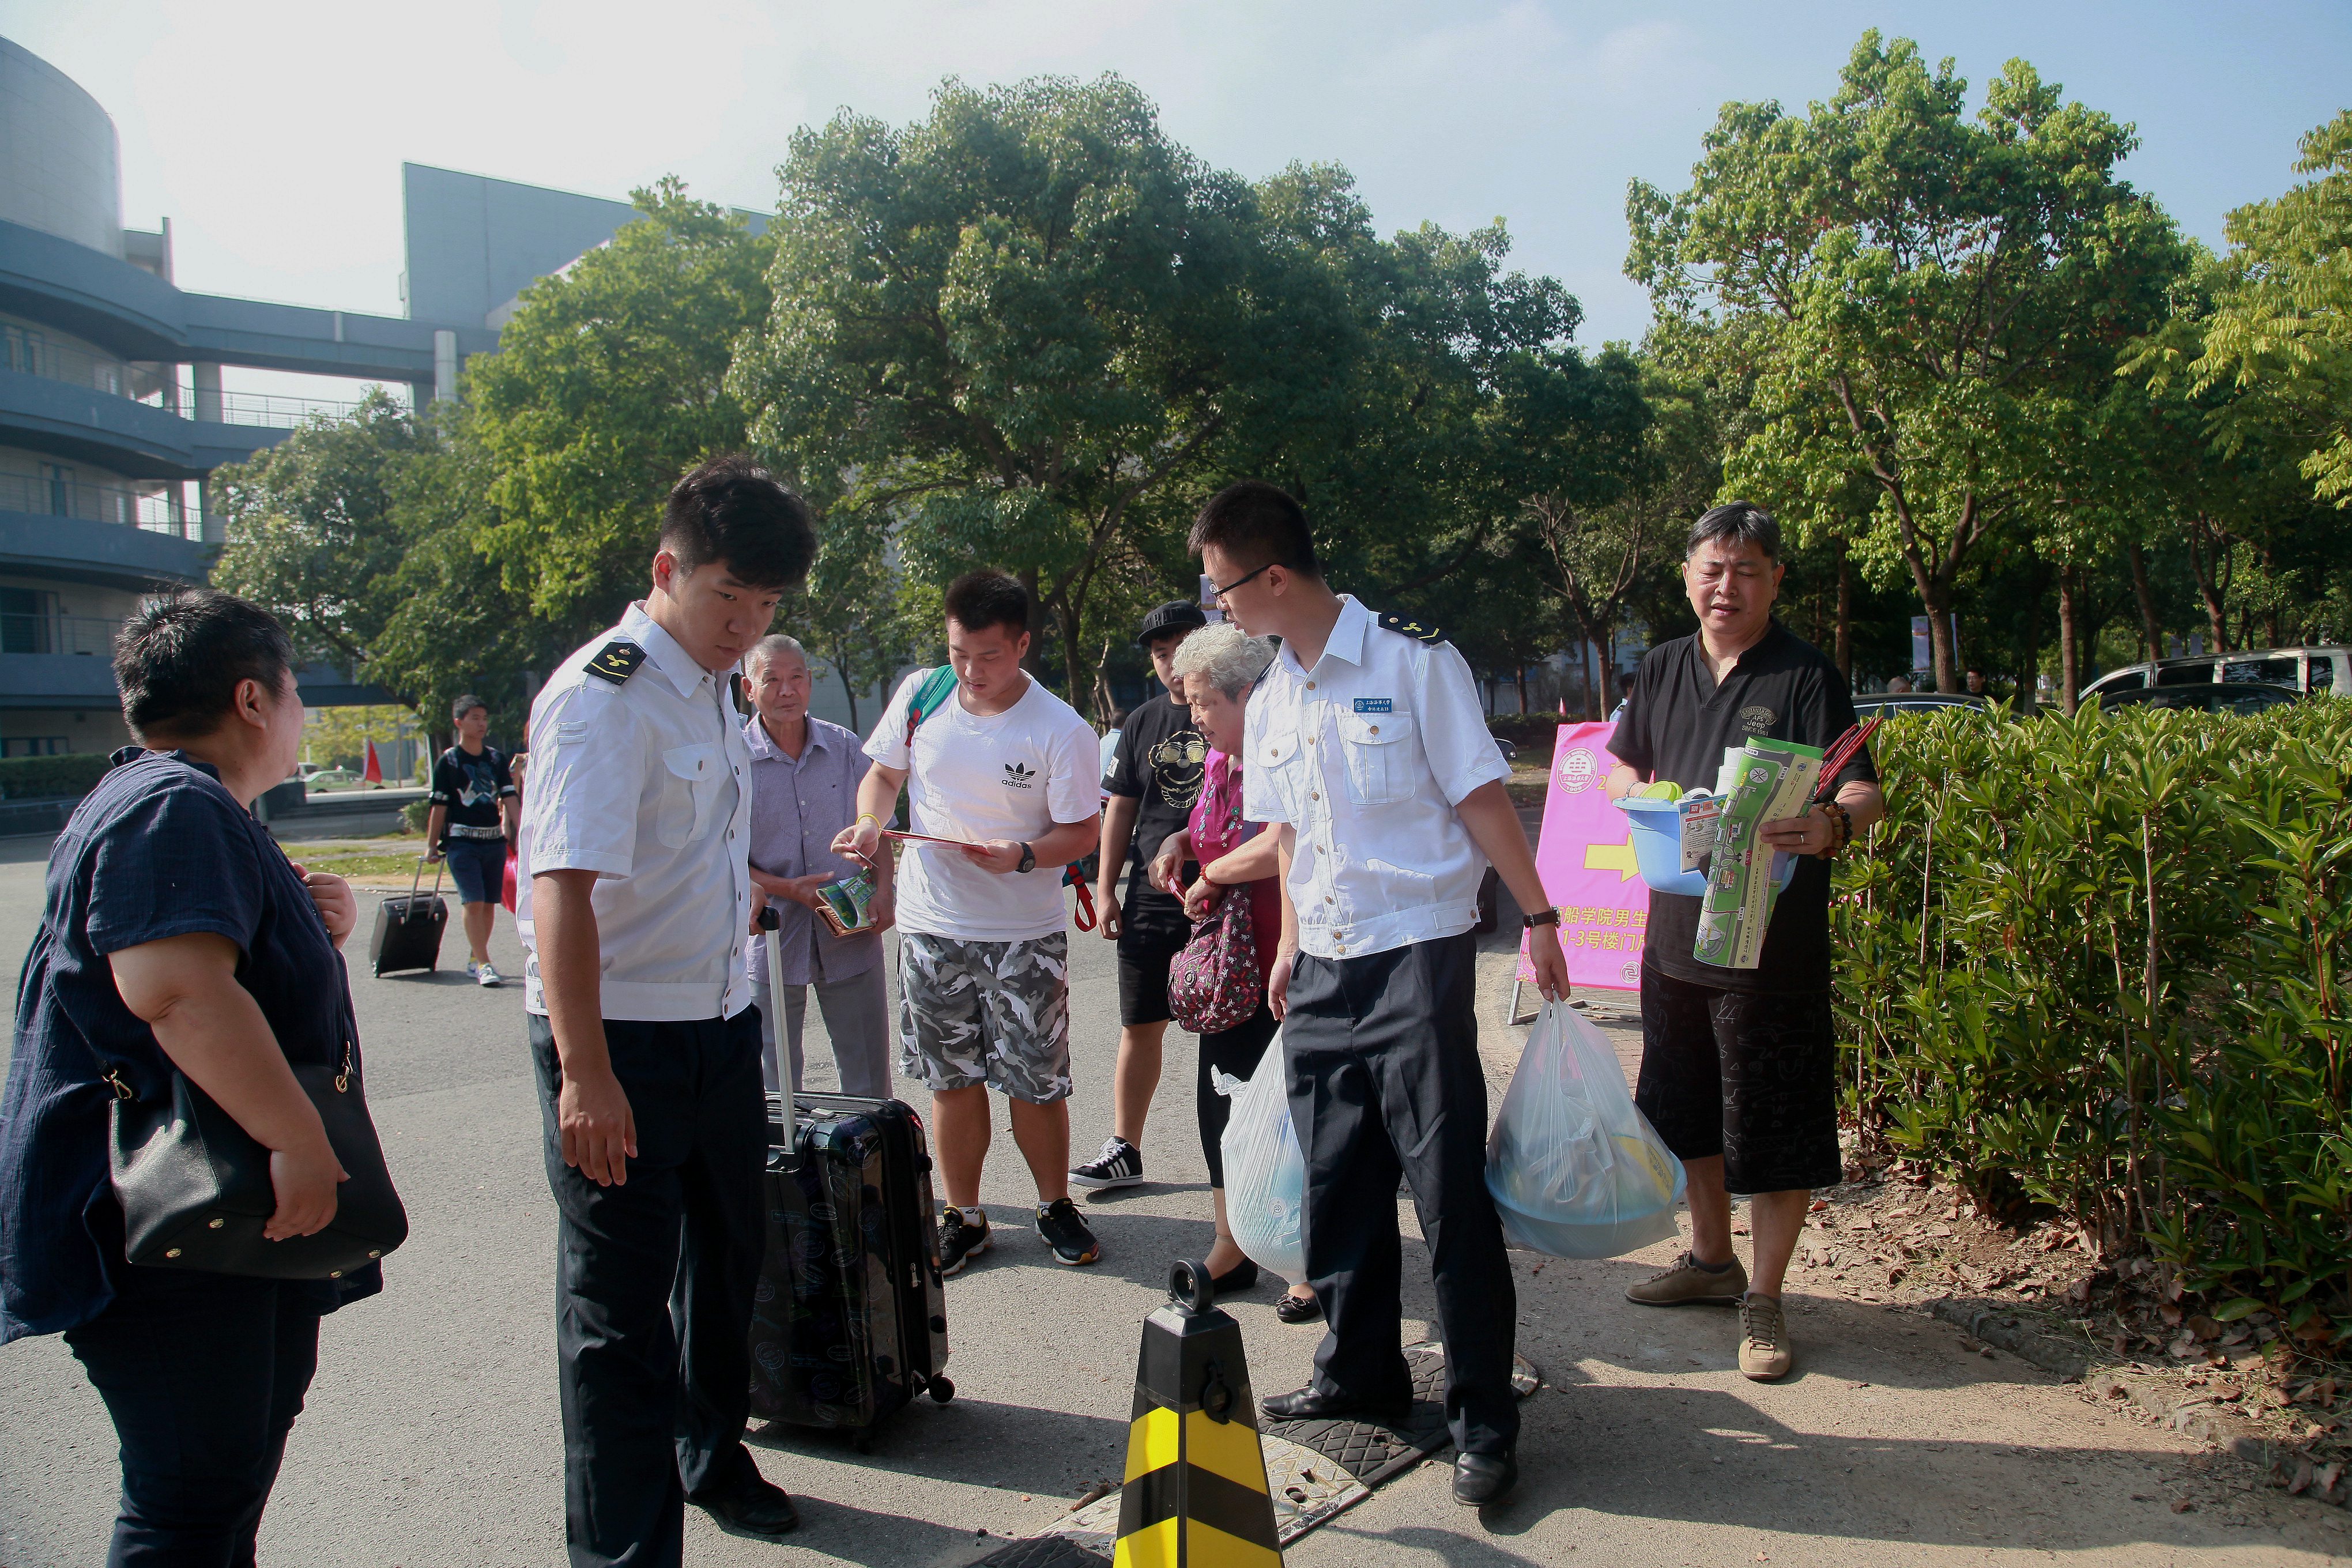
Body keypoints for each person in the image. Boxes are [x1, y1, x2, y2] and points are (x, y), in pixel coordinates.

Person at [1193, 480, 1569, 1509]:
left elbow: (1480, 797)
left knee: (1446, 1193)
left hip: (1415, 954)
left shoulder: (1414, 662)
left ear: (1274, 576)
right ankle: (1358, 1372)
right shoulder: (1274, 692)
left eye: (1223, 587)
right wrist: (1291, 947)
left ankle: (1483, 1417)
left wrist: (1540, 917)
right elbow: (1290, 837)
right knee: (1338, 1182)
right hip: (1324, 964)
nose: (1218, 605)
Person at [0, 588, 377, 1562]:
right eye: (295, 692)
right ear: (253, 698)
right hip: (173, 1218)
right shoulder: (173, 805)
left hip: (214, 1214)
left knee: (222, 1480)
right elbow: (175, 991)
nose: (301, 715)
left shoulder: (183, 802)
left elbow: (216, 973)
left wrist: (310, 930)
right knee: (190, 1498)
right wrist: (297, 1138)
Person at [517, 455, 815, 1560]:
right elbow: (560, 889)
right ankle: (623, 1552)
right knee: (619, 1317)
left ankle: (711, 1453)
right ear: (666, 570)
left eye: (767, 604)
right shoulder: (603, 696)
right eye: (727, 595)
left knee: (729, 1262)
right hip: (619, 1042)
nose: (746, 625)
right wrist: (586, 1073)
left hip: (719, 1024)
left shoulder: (708, 685)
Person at [1604, 500, 1886, 1384]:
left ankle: (1764, 1297)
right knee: (1686, 1106)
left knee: (1773, 1121)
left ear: (1775, 580)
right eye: (1713, 569)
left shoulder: (1805, 675)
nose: (1727, 586)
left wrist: (1833, 825)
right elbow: (1622, 761)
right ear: (1688, 576)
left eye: (1747, 570)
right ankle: (1710, 1260)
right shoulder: (1660, 666)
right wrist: (1636, 793)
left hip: (1771, 942)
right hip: (1675, 936)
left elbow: (1866, 790)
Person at [832, 571, 1106, 1276]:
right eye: (959, 652)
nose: (971, 671)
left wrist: (1023, 855)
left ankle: (1054, 1204)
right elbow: (883, 778)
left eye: (989, 656)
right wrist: (869, 824)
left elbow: (1083, 830)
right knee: (950, 1080)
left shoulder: (1060, 728)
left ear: (1022, 644)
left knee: (1035, 1082)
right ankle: (965, 1213)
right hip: (932, 926)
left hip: (1023, 934)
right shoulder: (922, 694)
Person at [1152, 623, 1323, 1322]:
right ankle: (1233, 1241)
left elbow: (1283, 838)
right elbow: (1212, 828)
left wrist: (1216, 870)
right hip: (1233, 968)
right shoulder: (1222, 761)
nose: (1193, 716)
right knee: (1221, 1103)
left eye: (1202, 702)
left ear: (1248, 695)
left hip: (1289, 956)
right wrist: (1179, 841)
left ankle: (1305, 1258)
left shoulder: (1288, 750)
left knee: (1295, 1113)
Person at [1069, 600, 1208, 1193]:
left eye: (1182, 648)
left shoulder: (1237, 708)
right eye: (1160, 653)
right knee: (1141, 1023)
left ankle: (1261, 1146)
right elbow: (1121, 809)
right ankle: (1125, 1147)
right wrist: (1105, 889)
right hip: (1151, 896)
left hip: (1224, 892)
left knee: (1235, 1026)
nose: (1172, 663)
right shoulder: (1141, 723)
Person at [740, 632, 895, 1099]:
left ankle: (868, 1146)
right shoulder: (733, 760)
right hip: (770, 935)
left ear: (809, 682)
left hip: (850, 929)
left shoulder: (844, 747)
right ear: (749, 689)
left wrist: (884, 890)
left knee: (867, 1076)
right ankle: (781, 1150)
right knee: (771, 1080)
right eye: (772, 680)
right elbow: (719, 854)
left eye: (796, 678)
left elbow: (877, 826)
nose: (786, 691)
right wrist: (788, 889)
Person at [425, 693, 521, 986]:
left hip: (493, 843)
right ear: (459, 722)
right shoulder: (449, 762)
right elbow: (439, 806)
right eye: (475, 718)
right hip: (461, 843)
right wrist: (431, 845)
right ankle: (484, 963)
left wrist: (525, 831)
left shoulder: (495, 759)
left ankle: (475, 957)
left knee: (489, 903)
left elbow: (509, 797)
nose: (482, 724)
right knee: (473, 901)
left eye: (484, 719)